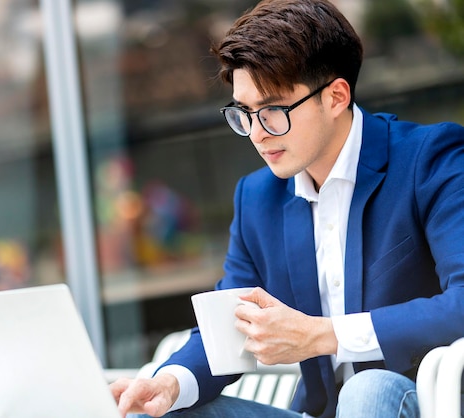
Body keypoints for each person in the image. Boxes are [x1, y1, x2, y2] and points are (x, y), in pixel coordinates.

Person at [109, 0, 464, 417]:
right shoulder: (258, 197)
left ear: (335, 96)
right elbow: (230, 324)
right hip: (316, 411)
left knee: (367, 390)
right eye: (245, 113)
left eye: (274, 111)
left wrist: (324, 335)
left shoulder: (430, 160)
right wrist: (168, 384)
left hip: (427, 404)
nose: (257, 134)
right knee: (166, 409)